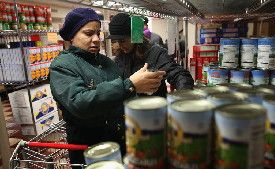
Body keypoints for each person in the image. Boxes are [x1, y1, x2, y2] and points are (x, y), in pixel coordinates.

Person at [49, 8, 165, 167]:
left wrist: (145, 91)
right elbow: (80, 103)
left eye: (98, 33)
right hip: (92, 152)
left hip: (120, 145)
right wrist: (130, 85)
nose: (96, 39)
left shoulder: (106, 62)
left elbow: (125, 96)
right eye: (89, 34)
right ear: (71, 36)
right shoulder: (62, 66)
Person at [108, 13, 194, 97]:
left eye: (123, 41)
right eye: (117, 41)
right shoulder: (119, 58)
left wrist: (184, 96)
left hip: (155, 108)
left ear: (135, 36)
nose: (120, 46)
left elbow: (179, 75)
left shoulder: (155, 53)